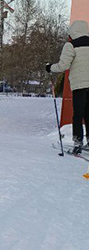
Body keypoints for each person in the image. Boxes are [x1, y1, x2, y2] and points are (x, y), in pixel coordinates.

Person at [46, 20, 89, 154]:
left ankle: (78, 143)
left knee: (78, 115)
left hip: (79, 85)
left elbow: (63, 65)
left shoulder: (71, 45)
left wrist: (50, 67)